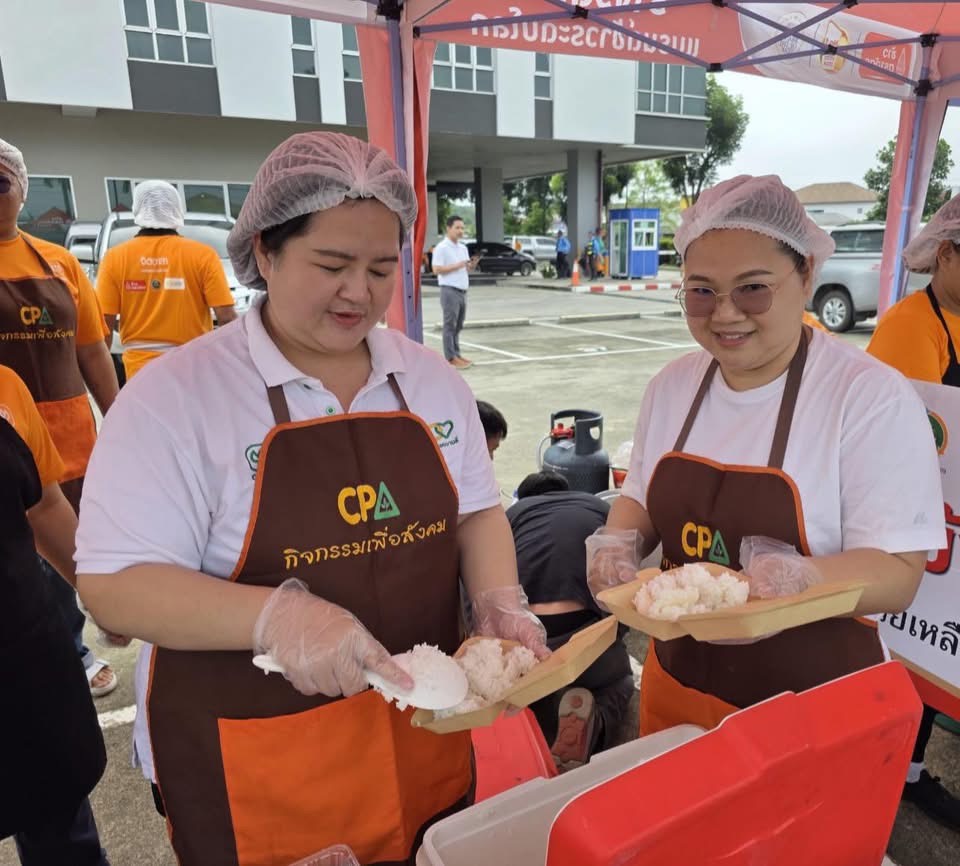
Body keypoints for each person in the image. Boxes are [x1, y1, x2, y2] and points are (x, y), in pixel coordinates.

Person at [75, 131, 548, 866]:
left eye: (382, 268)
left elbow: (477, 511)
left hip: (424, 737)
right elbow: (114, 586)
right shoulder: (175, 399)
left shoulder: (430, 382)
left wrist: (499, 603)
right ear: (264, 252)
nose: (359, 292)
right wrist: (275, 617)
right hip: (256, 766)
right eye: (331, 265)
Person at [586, 175, 945, 737]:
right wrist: (617, 542)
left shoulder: (869, 397)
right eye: (702, 291)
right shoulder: (671, 387)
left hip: (811, 715)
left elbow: (899, 574)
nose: (725, 314)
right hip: (678, 692)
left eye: (753, 288)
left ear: (806, 275)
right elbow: (640, 498)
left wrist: (800, 578)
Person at [0, 137, 119, 699]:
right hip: (9, 441)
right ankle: (68, 649)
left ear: (22, 190)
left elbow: (92, 351)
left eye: (2, 180)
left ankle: (77, 633)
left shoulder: (59, 262)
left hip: (71, 436)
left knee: (73, 545)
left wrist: (119, 416)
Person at [865, 194, 960, 830]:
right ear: (946, 253)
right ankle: (899, 768)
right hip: (913, 521)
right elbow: (926, 436)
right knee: (911, 645)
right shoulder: (910, 326)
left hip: (946, 516)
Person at [0, 364, 109, 865]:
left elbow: (44, 505)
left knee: (64, 842)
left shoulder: (6, 386)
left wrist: (102, 593)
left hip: (25, 664)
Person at [507, 471, 633, 770]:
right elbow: (621, 581)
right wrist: (615, 637)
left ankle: (540, 709)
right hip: (586, 626)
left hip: (527, 634)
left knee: (528, 689)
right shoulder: (597, 506)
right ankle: (595, 719)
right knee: (619, 681)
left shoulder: (510, 516)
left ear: (524, 498)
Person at [96, 180, 237, 381]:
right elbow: (227, 318)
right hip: (192, 367)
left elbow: (103, 327)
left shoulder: (115, 258)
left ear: (137, 210)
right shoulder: (203, 256)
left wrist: (103, 381)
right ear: (177, 210)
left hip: (140, 372)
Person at [432, 215, 478, 370]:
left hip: (462, 291)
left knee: (458, 325)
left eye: (462, 228)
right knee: (449, 325)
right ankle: (450, 358)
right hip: (449, 290)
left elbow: (465, 268)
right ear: (448, 228)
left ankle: (457, 354)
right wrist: (458, 265)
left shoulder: (463, 248)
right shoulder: (442, 248)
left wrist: (471, 265)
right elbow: (436, 269)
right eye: (457, 228)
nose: (460, 231)